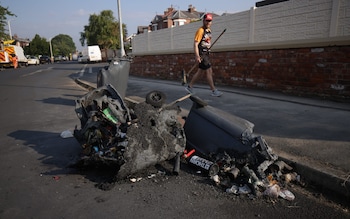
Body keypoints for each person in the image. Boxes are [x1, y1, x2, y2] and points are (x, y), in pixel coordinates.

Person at [186, 13, 223, 97]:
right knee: (209, 71)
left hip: (206, 53)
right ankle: (213, 90)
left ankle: (189, 86)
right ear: (203, 20)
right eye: (207, 21)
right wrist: (197, 56)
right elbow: (195, 44)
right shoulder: (200, 31)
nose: (208, 22)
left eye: (210, 21)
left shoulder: (209, 30)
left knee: (200, 71)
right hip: (202, 53)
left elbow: (207, 42)